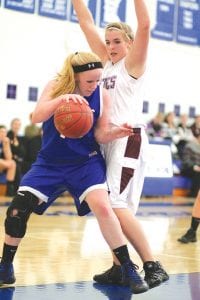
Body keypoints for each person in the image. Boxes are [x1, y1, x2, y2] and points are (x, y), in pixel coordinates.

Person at [0, 51, 149, 294]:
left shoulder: (102, 95)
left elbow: (100, 134)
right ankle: (5, 267)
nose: (94, 85)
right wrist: (62, 100)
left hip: (85, 162)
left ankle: (127, 268)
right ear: (75, 76)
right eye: (89, 81)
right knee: (18, 209)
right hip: (50, 162)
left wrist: (114, 133)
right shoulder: (56, 86)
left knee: (103, 206)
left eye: (98, 80)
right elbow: (37, 116)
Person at [72, 0, 169, 288]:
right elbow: (86, 22)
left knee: (115, 204)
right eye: (108, 42)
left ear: (129, 43)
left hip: (128, 138)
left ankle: (153, 264)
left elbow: (145, 25)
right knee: (113, 206)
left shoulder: (132, 66)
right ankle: (119, 266)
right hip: (107, 141)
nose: (111, 46)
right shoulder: (106, 65)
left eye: (117, 41)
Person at [0, 125, 16, 196]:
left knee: (12, 163)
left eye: (4, 132)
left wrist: (6, 145)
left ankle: (9, 190)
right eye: (1, 132)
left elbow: (9, 158)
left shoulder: (4, 142)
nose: (3, 134)